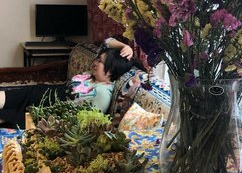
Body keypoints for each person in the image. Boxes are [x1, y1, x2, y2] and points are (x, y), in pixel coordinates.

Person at [0, 38, 139, 129]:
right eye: (97, 59)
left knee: (6, 119)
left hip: (46, 110)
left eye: (100, 61)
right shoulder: (93, 75)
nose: (95, 62)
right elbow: (107, 42)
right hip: (39, 94)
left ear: (111, 70)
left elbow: (88, 123)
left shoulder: (102, 93)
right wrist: (125, 46)